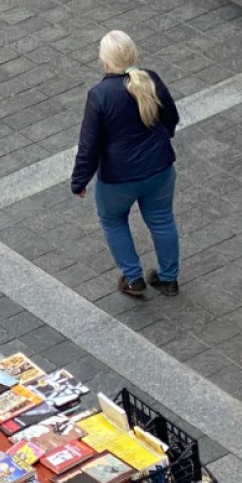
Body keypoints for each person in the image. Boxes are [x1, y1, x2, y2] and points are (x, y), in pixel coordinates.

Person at [71, 30, 181, 298]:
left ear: (105, 61)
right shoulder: (149, 79)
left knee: (113, 220)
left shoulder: (100, 95)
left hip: (118, 179)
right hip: (160, 169)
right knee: (162, 219)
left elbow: (89, 145)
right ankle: (168, 278)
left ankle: (133, 279)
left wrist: (79, 181)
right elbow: (171, 117)